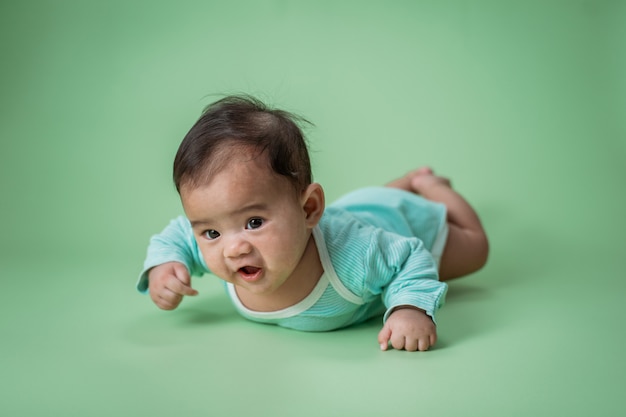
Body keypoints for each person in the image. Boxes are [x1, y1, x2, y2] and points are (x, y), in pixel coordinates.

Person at [137, 95, 489, 352]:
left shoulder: (355, 256)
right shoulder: (220, 244)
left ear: (308, 210)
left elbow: (410, 257)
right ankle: (403, 181)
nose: (234, 247)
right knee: (362, 202)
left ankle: (428, 185)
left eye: (254, 222)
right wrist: (165, 265)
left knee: (476, 248)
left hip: (399, 220)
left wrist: (409, 308)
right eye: (212, 232)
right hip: (354, 208)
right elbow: (180, 235)